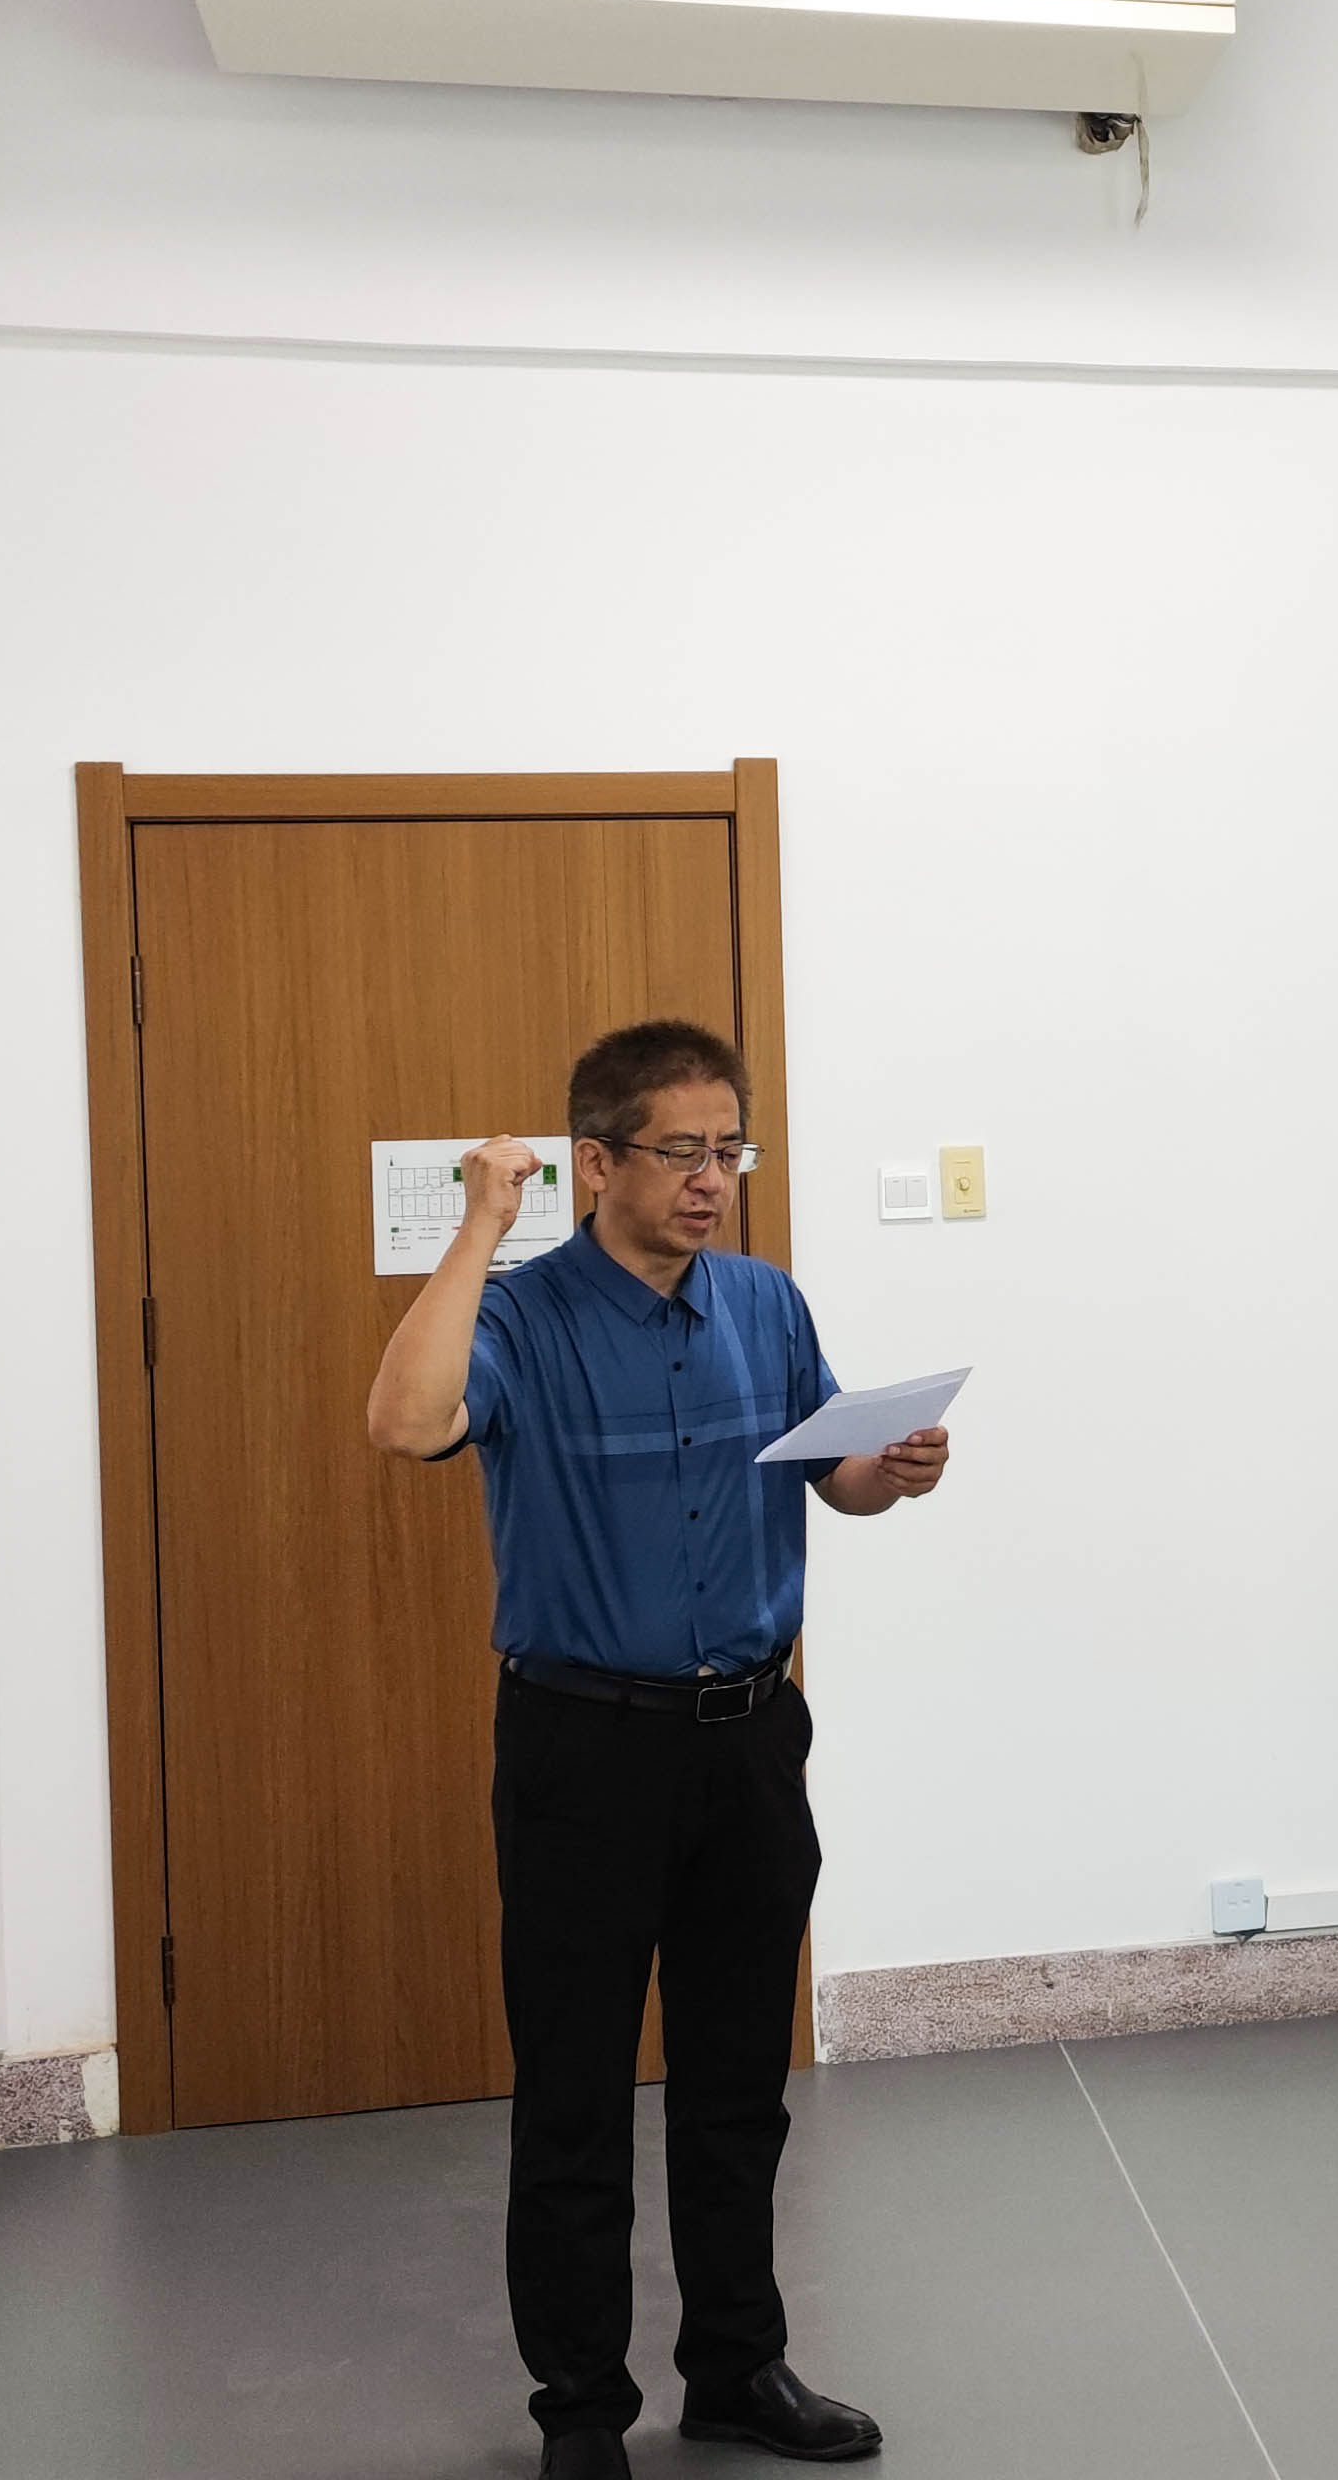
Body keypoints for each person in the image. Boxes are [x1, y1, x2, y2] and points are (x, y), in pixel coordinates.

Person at [359, 1019, 951, 2480]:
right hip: (585, 1750)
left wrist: (893, 1471)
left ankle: (738, 2369)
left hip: (748, 1743)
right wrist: (479, 1225)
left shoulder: (765, 1303)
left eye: (729, 1150)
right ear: (596, 1161)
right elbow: (406, 1423)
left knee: (738, 2084)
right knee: (575, 2095)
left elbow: (836, 1481)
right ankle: (581, 2414)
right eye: (681, 1151)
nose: (710, 1180)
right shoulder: (523, 1313)